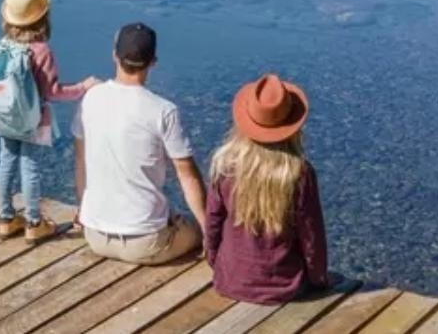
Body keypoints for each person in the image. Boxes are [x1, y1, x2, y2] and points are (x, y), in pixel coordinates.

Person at [72, 22, 206, 264]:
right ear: (153, 61)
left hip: (95, 236)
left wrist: (83, 210)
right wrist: (209, 232)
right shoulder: (163, 111)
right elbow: (189, 178)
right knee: (194, 227)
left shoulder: (90, 98)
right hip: (147, 243)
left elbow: (80, 160)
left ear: (115, 56)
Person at [205, 74, 330, 304]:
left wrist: (216, 263)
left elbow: (213, 221)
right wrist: (319, 278)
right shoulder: (298, 174)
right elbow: (311, 237)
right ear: (292, 128)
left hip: (230, 281)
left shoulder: (225, 165)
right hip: (284, 286)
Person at [0, 0, 98, 242]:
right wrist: (83, 87)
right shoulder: (42, 52)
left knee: (6, 162)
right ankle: (33, 222)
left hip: (5, 114)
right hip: (31, 119)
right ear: (42, 18)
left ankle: (5, 218)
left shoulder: (4, 45)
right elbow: (52, 93)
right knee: (30, 167)